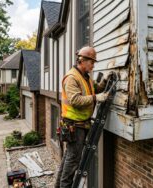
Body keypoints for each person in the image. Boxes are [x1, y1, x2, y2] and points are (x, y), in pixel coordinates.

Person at [55, 46, 112, 188]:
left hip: (80, 124)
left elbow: (96, 89)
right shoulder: (72, 78)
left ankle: (58, 186)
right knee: (72, 161)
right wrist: (96, 98)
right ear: (82, 60)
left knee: (69, 158)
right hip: (74, 125)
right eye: (91, 62)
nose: (93, 66)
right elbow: (76, 100)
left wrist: (104, 82)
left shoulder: (84, 77)